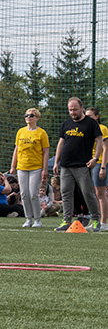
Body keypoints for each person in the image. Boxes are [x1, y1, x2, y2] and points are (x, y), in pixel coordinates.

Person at [52, 97, 104, 232]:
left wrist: (96, 158)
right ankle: (66, 221)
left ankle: (95, 220)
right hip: (66, 165)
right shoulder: (66, 124)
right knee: (66, 193)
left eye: (75, 109)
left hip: (83, 165)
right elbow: (61, 143)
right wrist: (56, 162)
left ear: (82, 108)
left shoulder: (91, 123)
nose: (73, 112)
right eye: (70, 110)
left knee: (87, 193)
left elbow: (99, 141)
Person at [9, 108, 49, 228]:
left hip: (36, 167)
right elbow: (16, 149)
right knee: (24, 193)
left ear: (36, 118)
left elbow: (46, 152)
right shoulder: (20, 132)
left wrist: (45, 169)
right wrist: (13, 166)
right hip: (22, 167)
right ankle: (28, 219)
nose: (28, 117)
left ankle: (37, 219)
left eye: (31, 115)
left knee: (33, 194)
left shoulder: (41, 133)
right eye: (26, 115)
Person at [85, 107, 108, 231]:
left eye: (90, 116)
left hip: (99, 163)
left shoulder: (103, 129)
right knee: (92, 194)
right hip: (88, 163)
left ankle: (103, 222)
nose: (88, 118)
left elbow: (106, 149)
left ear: (97, 117)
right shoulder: (87, 129)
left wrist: (103, 167)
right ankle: (95, 220)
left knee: (100, 193)